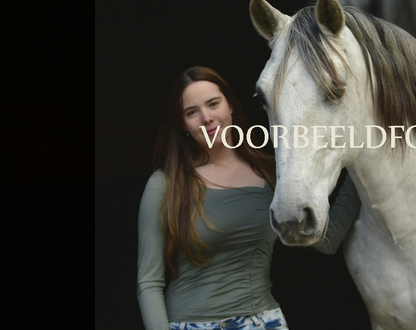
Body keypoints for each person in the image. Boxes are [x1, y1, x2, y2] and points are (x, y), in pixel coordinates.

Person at [136, 66, 361, 330]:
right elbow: (149, 281)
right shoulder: (165, 184)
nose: (206, 117)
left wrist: (363, 164)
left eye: (213, 104)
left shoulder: (271, 173)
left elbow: (327, 240)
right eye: (192, 112)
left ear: (230, 105)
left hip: (263, 322)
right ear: (183, 124)